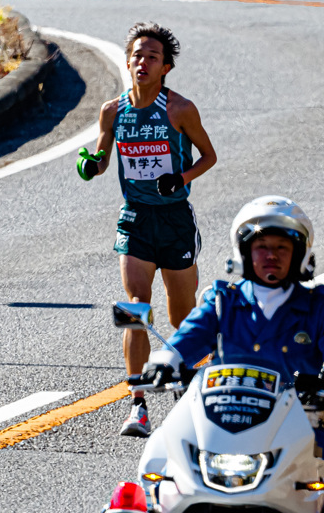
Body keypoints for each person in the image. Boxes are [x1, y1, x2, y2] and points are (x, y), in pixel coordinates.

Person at [140, 196, 324, 510]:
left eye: (282, 247)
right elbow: (190, 335)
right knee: (157, 467)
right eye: (261, 246)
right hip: (219, 420)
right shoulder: (222, 301)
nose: (271, 255)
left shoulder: (317, 306)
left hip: (300, 423)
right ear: (244, 252)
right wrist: (165, 360)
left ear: (300, 254)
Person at [77, 23, 217, 437]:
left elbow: (209, 155)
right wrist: (90, 165)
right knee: (137, 307)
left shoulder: (180, 109)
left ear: (165, 67)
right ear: (128, 61)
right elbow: (102, 157)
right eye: (138, 55)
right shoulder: (112, 111)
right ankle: (137, 404)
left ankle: (190, 384)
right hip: (135, 218)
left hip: (175, 221)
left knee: (181, 315)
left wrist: (181, 178)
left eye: (152, 57)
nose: (143, 62)